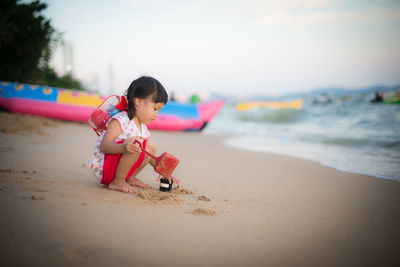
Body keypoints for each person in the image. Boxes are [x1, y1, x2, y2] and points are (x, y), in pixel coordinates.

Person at [90, 76, 181, 193]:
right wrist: (123, 147)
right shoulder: (120, 120)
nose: (156, 114)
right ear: (138, 102)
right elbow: (104, 146)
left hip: (118, 167)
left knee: (150, 146)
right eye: (155, 108)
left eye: (159, 111)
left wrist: (164, 172)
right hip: (105, 168)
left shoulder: (143, 129)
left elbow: (149, 155)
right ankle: (118, 181)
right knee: (135, 143)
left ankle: (129, 178)